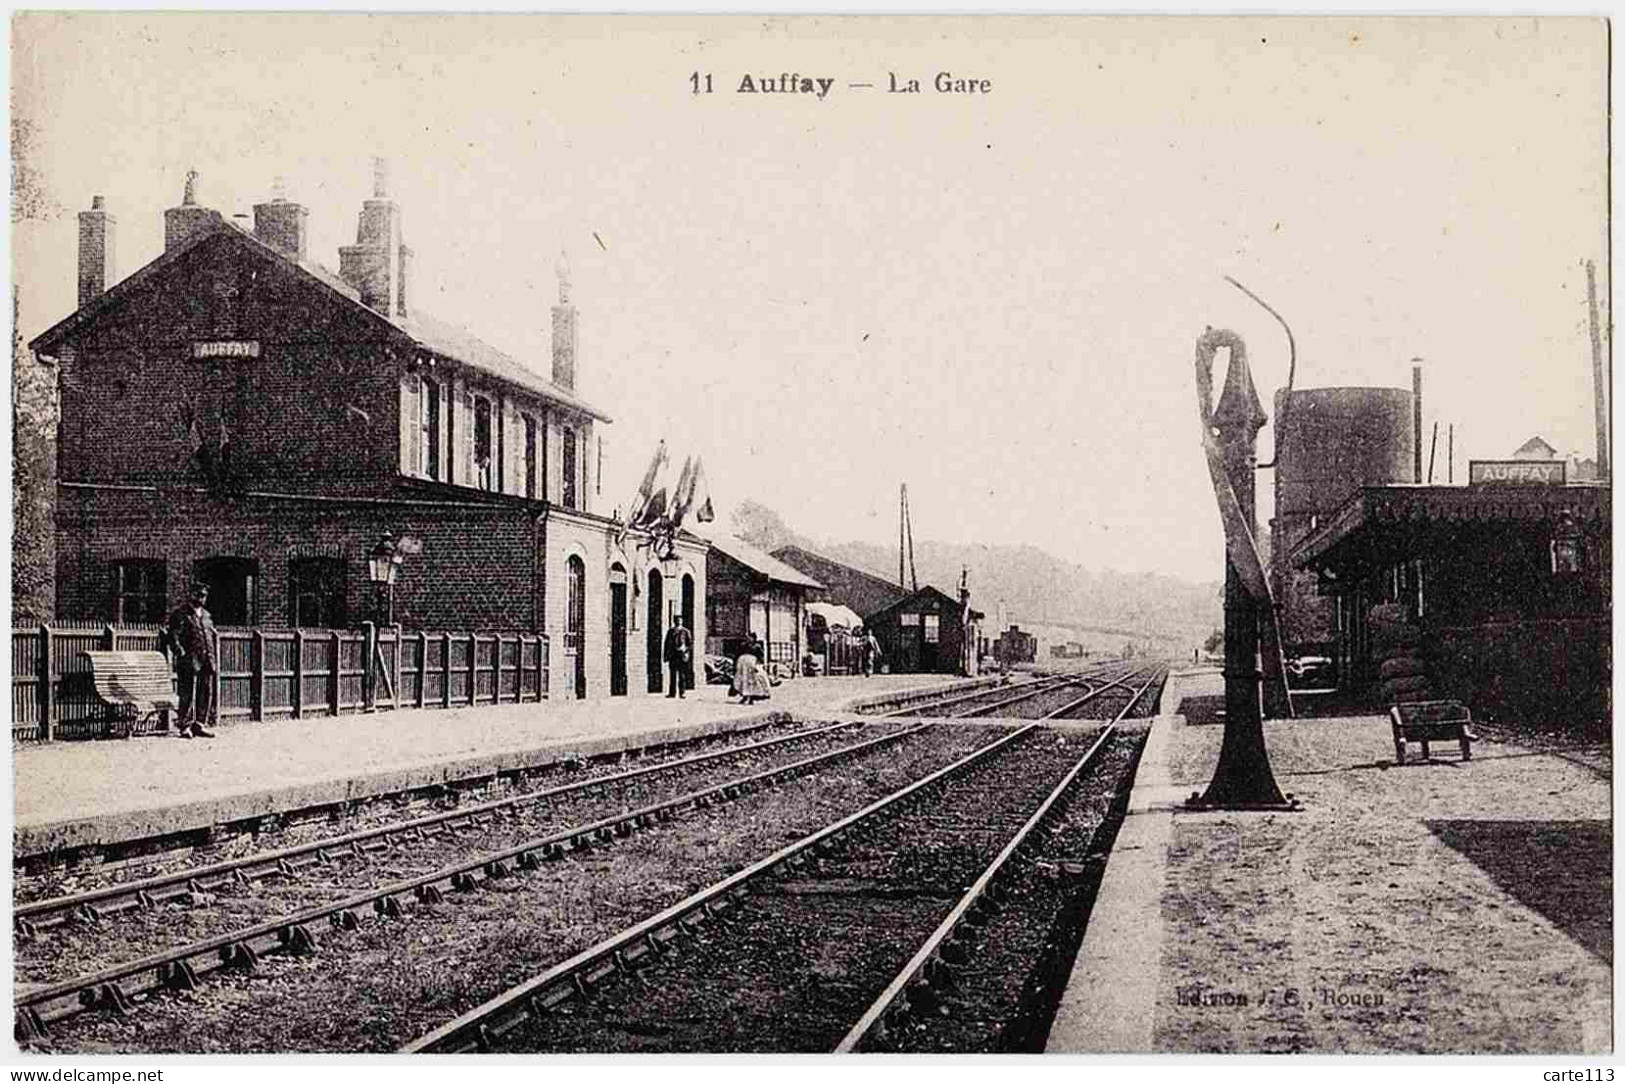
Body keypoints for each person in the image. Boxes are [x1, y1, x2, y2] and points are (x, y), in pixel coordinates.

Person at [166, 583, 218, 738]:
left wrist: (212, 656)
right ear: (191, 595)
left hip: (206, 659)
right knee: (187, 693)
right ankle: (184, 726)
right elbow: (173, 637)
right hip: (189, 659)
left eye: (204, 595)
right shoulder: (181, 614)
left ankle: (199, 724)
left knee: (205, 692)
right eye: (198, 595)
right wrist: (180, 653)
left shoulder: (207, 615)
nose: (201, 598)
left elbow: (209, 636)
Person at [733, 637, 772, 704]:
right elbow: (737, 654)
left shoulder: (757, 646)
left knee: (754, 681)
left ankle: (751, 698)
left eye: (750, 638)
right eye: (747, 638)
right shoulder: (743, 645)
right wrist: (736, 664)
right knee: (743, 681)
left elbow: (760, 656)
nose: (749, 640)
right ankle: (744, 696)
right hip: (743, 664)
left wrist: (759, 663)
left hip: (752, 663)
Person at [663, 616, 693, 699]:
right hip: (673, 656)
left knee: (682, 675)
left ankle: (682, 693)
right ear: (674, 621)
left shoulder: (686, 631)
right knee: (672, 675)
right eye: (677, 620)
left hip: (682, 656)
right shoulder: (671, 631)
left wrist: (685, 649)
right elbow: (666, 644)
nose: (678, 622)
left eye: (680, 620)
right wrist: (665, 656)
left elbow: (690, 644)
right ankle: (672, 693)